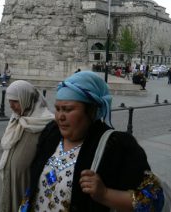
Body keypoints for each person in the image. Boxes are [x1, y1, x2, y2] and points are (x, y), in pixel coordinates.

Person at [22, 71, 164, 211]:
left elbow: (154, 200)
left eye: (68, 109)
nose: (60, 117)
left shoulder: (117, 145)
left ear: (91, 111)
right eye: (58, 109)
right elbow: (33, 188)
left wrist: (105, 194)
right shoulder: (51, 133)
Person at [0, 80, 54, 212]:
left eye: (15, 101)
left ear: (26, 98)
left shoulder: (46, 123)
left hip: (27, 184)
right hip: (9, 181)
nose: (11, 106)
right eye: (9, 101)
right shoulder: (17, 117)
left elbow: (50, 161)